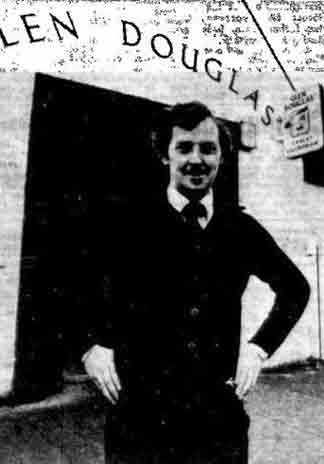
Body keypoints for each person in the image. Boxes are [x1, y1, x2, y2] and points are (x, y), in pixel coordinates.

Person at [80, 101, 310, 463]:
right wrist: (90, 346)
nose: (196, 160)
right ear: (164, 154)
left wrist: (258, 348)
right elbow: (66, 285)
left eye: (208, 148)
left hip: (217, 421)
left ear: (222, 155)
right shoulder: (128, 221)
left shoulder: (240, 229)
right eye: (184, 147)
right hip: (140, 420)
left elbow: (296, 289)